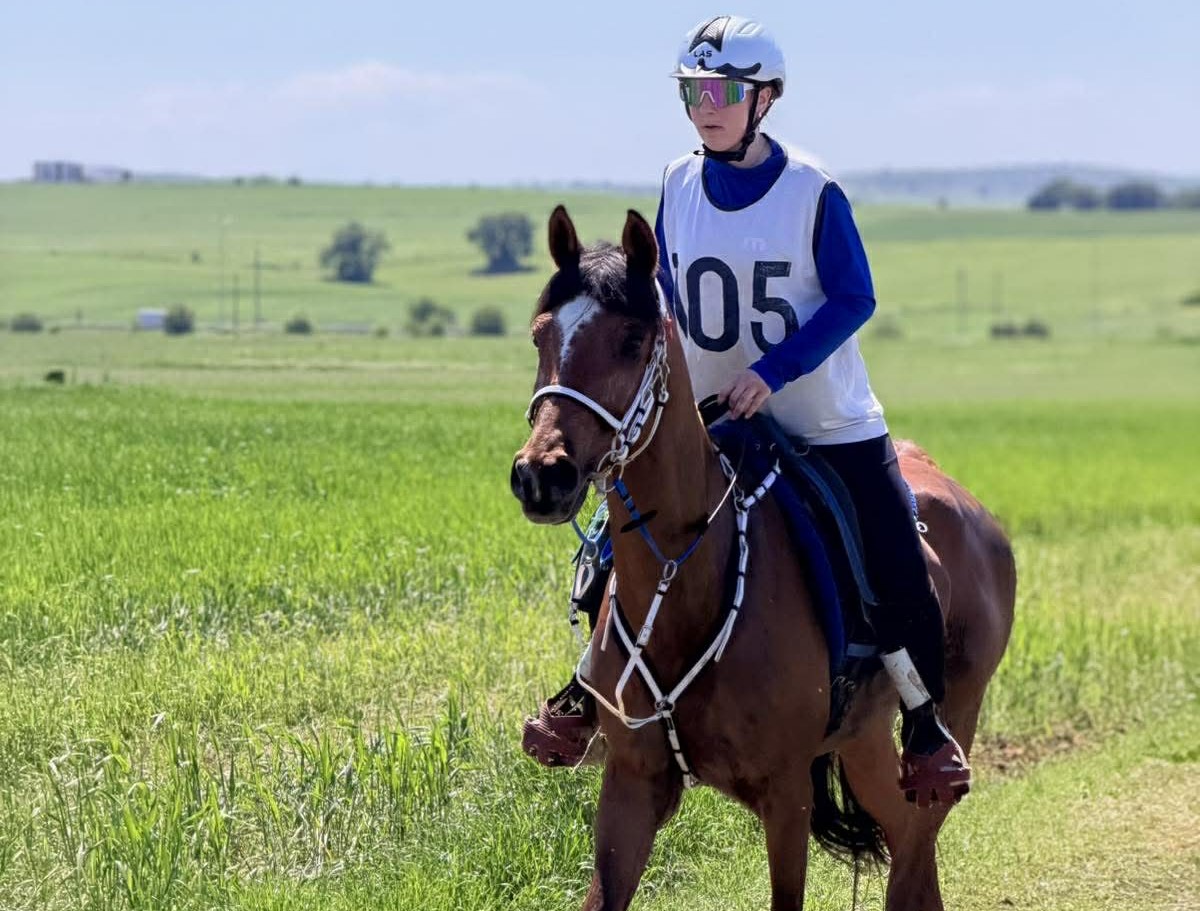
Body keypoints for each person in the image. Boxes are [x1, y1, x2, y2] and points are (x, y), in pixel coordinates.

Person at [523, 15, 970, 805]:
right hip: (713, 417)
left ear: (765, 98)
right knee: (614, 531)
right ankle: (585, 693)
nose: (705, 106)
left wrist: (774, 371)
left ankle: (926, 729)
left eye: (723, 90)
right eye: (694, 90)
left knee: (892, 552)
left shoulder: (813, 189)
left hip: (825, 420)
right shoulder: (677, 180)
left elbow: (854, 296)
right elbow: (655, 290)